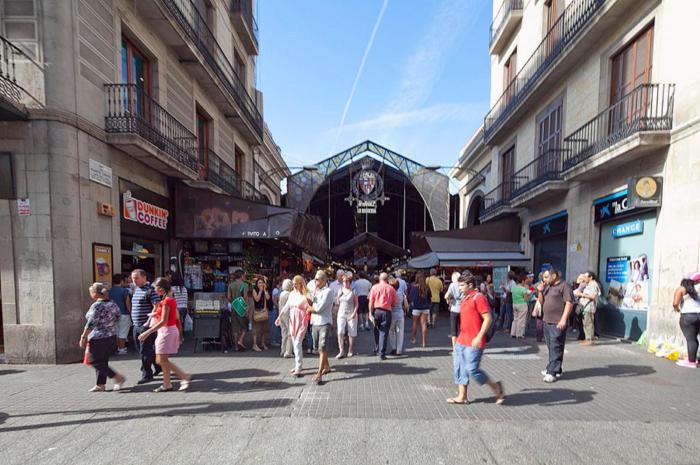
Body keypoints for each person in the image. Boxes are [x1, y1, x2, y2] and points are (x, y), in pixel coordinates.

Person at [446, 272, 505, 405]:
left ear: (470, 285)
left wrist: (479, 336)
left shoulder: (478, 298)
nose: (459, 288)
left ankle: (496, 388)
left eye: (462, 285)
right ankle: (462, 396)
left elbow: (488, 318)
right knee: (460, 367)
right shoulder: (464, 298)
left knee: (472, 369)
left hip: (474, 342)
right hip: (462, 340)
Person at [137, 277, 191, 392]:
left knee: (161, 360)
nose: (154, 291)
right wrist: (156, 314)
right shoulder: (168, 299)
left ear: (160, 289)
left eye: (155, 288)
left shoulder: (166, 301)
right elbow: (172, 316)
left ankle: (183, 376)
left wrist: (147, 332)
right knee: (162, 360)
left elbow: (163, 321)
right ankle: (167, 384)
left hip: (166, 332)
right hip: (167, 331)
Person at [80, 282, 126, 392]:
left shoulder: (97, 306)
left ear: (95, 293)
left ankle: (118, 377)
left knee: (94, 361)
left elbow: (91, 323)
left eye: (91, 292)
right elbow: (118, 316)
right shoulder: (112, 303)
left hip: (98, 337)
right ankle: (100, 384)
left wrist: (83, 336)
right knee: (102, 361)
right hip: (110, 335)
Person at [537, 269, 574, 383]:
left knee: (555, 346)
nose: (544, 280)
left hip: (557, 322)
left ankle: (551, 372)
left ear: (554, 276)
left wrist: (563, 319)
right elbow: (542, 302)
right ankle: (556, 368)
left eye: (546, 277)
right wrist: (540, 291)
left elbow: (569, 303)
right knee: (551, 346)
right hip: (547, 320)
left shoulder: (565, 286)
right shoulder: (548, 287)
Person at [131, 269, 162, 384]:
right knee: (142, 350)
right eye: (133, 278)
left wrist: (149, 322)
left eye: (136, 278)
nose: (134, 281)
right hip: (136, 325)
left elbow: (156, 306)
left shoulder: (151, 291)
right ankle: (158, 366)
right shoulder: (136, 290)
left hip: (146, 326)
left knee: (144, 351)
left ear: (144, 277)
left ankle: (147, 374)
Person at [276, 275, 310, 376]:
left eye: (296, 284)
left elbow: (310, 307)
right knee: (295, 343)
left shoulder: (306, 294)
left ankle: (298, 367)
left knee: (297, 343)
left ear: (300, 284)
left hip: (302, 321)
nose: (294, 286)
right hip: (293, 321)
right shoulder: (291, 294)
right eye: (293, 284)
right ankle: (298, 365)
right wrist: (279, 317)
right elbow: (286, 306)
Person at [309, 270, 334, 384]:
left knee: (322, 347)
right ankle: (326, 366)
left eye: (317, 279)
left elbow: (319, 308)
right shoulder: (316, 291)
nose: (315, 281)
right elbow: (312, 303)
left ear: (324, 280)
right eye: (315, 279)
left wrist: (310, 308)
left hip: (324, 322)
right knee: (318, 349)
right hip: (315, 322)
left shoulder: (328, 291)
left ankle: (319, 373)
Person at [672, 272, 700, 368]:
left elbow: (675, 303)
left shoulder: (682, 289)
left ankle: (691, 362)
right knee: (694, 338)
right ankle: (693, 358)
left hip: (688, 316)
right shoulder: (698, 289)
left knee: (691, 339)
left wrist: (677, 309)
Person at [369, 272, 398, 360]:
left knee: (376, 330)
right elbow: (394, 302)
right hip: (386, 312)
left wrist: (370, 313)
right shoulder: (391, 289)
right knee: (384, 332)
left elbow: (371, 301)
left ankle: (376, 348)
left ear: (379, 279)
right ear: (387, 279)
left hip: (376, 311)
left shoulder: (374, 287)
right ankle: (382, 353)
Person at [574, 271, 601, 346]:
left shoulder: (593, 284)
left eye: (586, 277)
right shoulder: (588, 284)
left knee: (588, 324)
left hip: (589, 307)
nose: (584, 278)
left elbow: (592, 296)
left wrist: (581, 294)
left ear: (590, 277)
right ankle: (587, 338)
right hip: (585, 307)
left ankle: (589, 339)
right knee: (585, 323)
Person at [335, 271, 359, 359]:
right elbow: (337, 303)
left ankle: (350, 349)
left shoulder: (353, 291)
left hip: (351, 313)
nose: (345, 283)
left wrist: (354, 313)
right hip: (341, 313)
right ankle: (341, 350)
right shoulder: (340, 290)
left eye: (347, 281)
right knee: (340, 331)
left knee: (351, 332)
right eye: (343, 281)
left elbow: (357, 304)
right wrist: (338, 296)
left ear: (350, 282)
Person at [109, 273, 132, 355]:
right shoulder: (124, 291)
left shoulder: (109, 291)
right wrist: (131, 312)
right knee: (123, 332)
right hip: (124, 313)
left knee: (116, 331)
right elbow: (127, 303)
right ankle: (121, 349)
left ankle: (118, 348)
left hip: (112, 314)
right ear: (122, 281)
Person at [227, 270, 249, 351]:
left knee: (235, 328)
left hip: (233, 307)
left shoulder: (230, 285)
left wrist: (234, 302)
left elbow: (229, 297)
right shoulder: (244, 285)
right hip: (241, 308)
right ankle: (240, 340)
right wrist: (246, 308)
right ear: (241, 276)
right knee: (245, 326)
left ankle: (236, 346)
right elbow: (245, 297)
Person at [409, 271, 431, 347]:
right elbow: (429, 297)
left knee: (415, 323)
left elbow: (410, 297)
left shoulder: (414, 287)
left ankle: (413, 338)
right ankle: (424, 342)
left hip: (416, 307)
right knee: (424, 324)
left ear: (416, 278)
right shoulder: (427, 287)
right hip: (425, 307)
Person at [388, 277, 409, 356]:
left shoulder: (389, 294)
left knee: (391, 331)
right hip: (400, 314)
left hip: (391, 315)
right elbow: (406, 305)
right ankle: (399, 350)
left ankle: (393, 348)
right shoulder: (402, 293)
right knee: (400, 332)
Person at [251, 277, 271, 352]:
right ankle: (254, 344)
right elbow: (257, 299)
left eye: (262, 283)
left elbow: (268, 298)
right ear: (257, 284)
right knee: (256, 329)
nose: (261, 284)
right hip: (257, 310)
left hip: (264, 310)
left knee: (264, 328)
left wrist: (264, 290)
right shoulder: (254, 290)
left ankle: (262, 343)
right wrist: (260, 291)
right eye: (259, 283)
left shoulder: (265, 290)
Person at [445, 271, 463, 352]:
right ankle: (463, 346)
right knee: (462, 329)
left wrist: (448, 300)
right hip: (463, 309)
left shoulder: (452, 285)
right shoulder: (463, 284)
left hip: (454, 309)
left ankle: (455, 348)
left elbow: (446, 296)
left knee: (454, 331)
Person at [510, 274, 531, 339]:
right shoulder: (523, 289)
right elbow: (526, 299)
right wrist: (529, 295)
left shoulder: (513, 288)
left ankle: (513, 333)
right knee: (521, 320)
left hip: (514, 304)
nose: (525, 283)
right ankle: (519, 334)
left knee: (515, 319)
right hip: (522, 305)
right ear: (522, 281)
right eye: (525, 281)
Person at [278, 279, 294, 358]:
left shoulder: (281, 293)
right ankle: (288, 351)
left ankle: (283, 350)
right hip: (288, 315)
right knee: (290, 333)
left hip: (282, 314)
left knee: (283, 333)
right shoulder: (290, 294)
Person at [171, 274, 188, 343]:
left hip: (177, 308)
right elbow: (186, 299)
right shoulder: (184, 288)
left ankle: (179, 338)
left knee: (177, 324)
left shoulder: (172, 288)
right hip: (184, 308)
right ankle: (181, 337)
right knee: (181, 323)